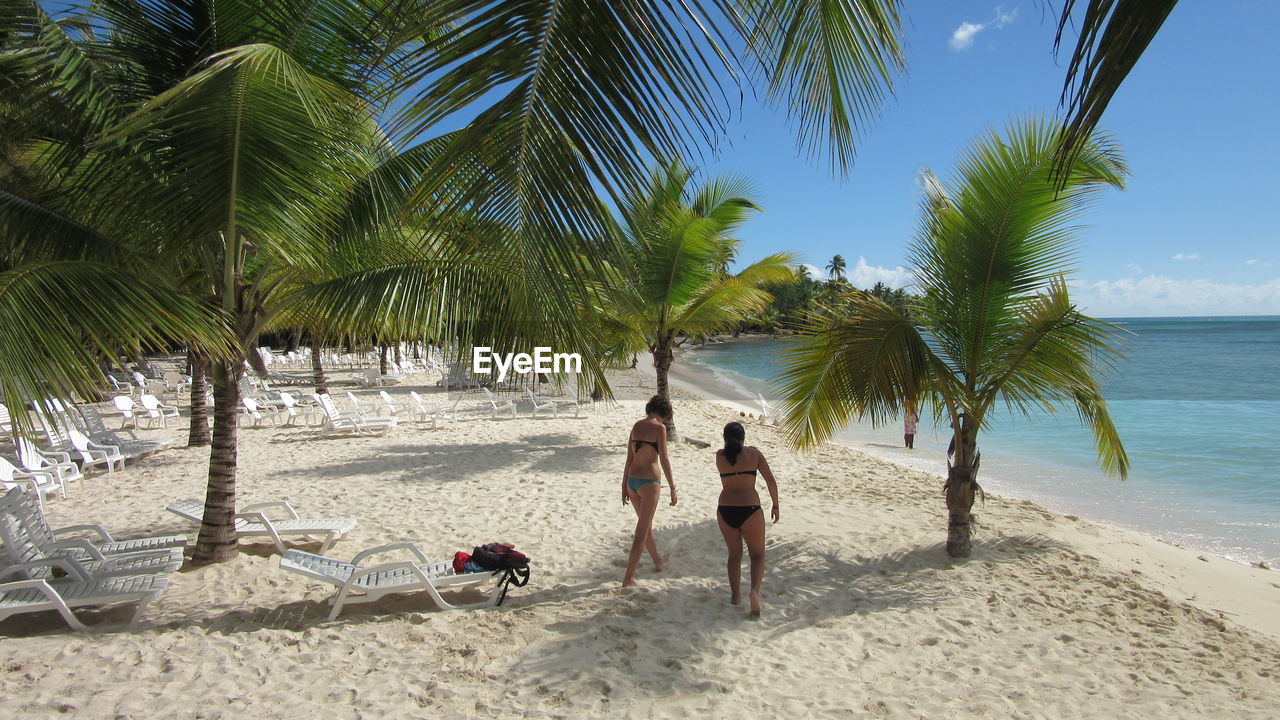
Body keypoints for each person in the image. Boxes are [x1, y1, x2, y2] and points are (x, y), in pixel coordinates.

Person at [714, 422, 779, 618]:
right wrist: (775, 505)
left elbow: (732, 453)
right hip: (750, 509)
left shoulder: (720, 456)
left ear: (725, 438)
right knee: (757, 555)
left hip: (725, 509)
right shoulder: (754, 454)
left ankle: (735, 595)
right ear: (743, 437)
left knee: (734, 554)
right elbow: (770, 481)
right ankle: (755, 592)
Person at [621, 395, 678, 586]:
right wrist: (672, 487)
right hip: (649, 482)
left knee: (646, 527)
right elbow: (665, 460)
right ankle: (629, 578)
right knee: (642, 530)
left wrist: (623, 486)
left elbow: (629, 457)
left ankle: (657, 561)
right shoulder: (659, 428)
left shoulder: (637, 425)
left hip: (632, 480)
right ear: (664, 413)